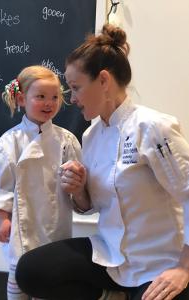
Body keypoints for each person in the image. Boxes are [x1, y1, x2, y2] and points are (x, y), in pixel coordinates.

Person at [15, 24, 189, 300]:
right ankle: (109, 296)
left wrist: (183, 268)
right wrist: (78, 189)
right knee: (30, 271)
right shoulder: (91, 135)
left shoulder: (154, 127)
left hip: (157, 265)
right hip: (109, 256)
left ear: (104, 81)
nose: (71, 99)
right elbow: (90, 206)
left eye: (75, 88)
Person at [0, 65, 81, 300]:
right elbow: (1, 185)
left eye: (55, 97)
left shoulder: (66, 140)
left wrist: (77, 183)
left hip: (55, 218)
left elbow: (79, 179)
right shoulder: (9, 142)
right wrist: (1, 218)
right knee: (18, 270)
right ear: (21, 99)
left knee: (48, 276)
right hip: (22, 221)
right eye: (40, 97)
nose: (49, 103)